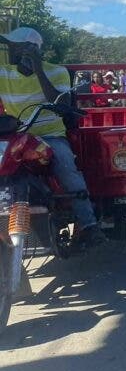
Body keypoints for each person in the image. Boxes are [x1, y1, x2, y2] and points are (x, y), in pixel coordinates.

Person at [0, 27, 102, 246]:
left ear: (32, 49)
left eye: (16, 46)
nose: (10, 50)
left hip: (49, 136)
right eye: (9, 46)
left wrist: (38, 69)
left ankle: (88, 224)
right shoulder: (4, 73)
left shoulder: (57, 71)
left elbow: (61, 103)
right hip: (15, 139)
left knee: (66, 166)